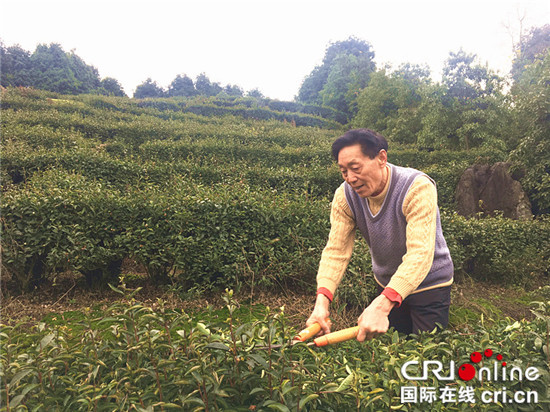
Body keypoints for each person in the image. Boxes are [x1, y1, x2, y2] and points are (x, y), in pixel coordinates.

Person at [306, 128, 454, 340]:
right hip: (387, 283)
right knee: (392, 350)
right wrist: (322, 303)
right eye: (343, 171)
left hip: (430, 285)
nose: (350, 178)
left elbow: (420, 254)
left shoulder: (416, 187)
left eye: (355, 168)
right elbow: (336, 251)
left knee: (426, 352)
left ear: (381, 158)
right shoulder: (345, 196)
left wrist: (384, 304)